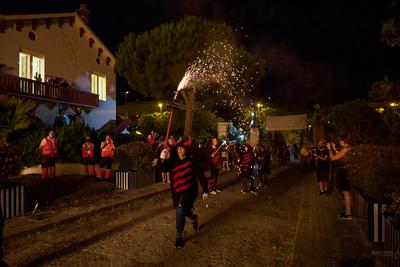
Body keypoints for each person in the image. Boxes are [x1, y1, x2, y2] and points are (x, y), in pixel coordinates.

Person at [169, 140, 208, 248]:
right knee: (184, 210)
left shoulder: (191, 161)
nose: (179, 150)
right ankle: (194, 217)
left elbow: (200, 175)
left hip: (190, 190)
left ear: (185, 150)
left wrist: (205, 189)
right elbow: (163, 168)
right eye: (178, 148)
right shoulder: (174, 161)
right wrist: (162, 159)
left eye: (181, 148)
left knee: (180, 208)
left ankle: (179, 235)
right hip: (177, 191)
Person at [327, 134, 352, 220]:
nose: (339, 142)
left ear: (343, 140)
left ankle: (348, 214)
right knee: (346, 192)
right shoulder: (348, 148)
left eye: (340, 140)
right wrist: (334, 148)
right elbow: (340, 154)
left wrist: (330, 149)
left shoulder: (346, 149)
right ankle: (347, 211)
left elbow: (333, 158)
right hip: (345, 172)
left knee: (345, 193)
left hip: (344, 172)